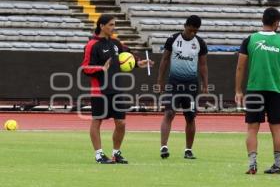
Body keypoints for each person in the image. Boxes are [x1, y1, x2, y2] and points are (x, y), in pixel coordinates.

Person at [81, 15, 154, 164]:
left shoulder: (116, 43)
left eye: (114, 25)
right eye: (111, 25)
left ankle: (116, 153)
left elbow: (125, 58)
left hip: (117, 89)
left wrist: (138, 63)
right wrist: (101, 68)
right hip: (99, 90)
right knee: (97, 121)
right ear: (101, 26)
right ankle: (99, 154)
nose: (113, 27)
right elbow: (86, 68)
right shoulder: (92, 45)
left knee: (121, 122)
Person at [235, 7, 280, 174]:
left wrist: (238, 90)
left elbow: (240, 67)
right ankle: (277, 165)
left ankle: (252, 164)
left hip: (255, 90)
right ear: (277, 22)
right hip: (275, 91)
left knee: (252, 128)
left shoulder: (250, 39)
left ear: (263, 20)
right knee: (276, 128)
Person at [157, 15, 208, 159]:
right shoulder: (173, 39)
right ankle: (164, 147)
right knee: (169, 113)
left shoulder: (200, 43)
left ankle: (188, 150)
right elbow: (165, 59)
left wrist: (205, 84)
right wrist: (159, 80)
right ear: (185, 26)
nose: (192, 33)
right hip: (174, 83)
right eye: (191, 30)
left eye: (195, 32)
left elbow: (203, 65)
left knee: (190, 117)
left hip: (191, 85)